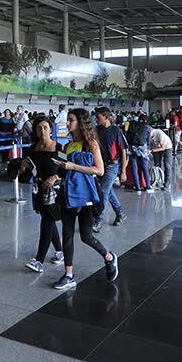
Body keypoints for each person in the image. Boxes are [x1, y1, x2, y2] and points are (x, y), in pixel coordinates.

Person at [54, 108, 118, 290]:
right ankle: (68, 274)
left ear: (81, 122)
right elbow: (65, 169)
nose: (68, 123)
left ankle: (109, 257)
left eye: (71, 120)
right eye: (68, 120)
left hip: (85, 195)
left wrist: (73, 166)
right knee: (67, 234)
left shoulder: (91, 144)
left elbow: (100, 170)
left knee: (86, 236)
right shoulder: (68, 145)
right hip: (68, 194)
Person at [24, 116, 65, 273]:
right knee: (48, 220)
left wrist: (55, 176)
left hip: (54, 191)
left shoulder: (59, 148)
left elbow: (67, 168)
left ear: (51, 130)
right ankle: (60, 251)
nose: (42, 131)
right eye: (39, 128)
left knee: (47, 221)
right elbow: (32, 170)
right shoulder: (33, 149)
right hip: (39, 189)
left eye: (45, 128)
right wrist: (24, 166)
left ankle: (39, 260)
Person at [93, 107, 128, 232]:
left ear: (106, 117)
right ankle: (120, 213)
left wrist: (123, 171)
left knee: (103, 192)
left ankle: (99, 220)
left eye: (98, 117)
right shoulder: (96, 130)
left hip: (112, 166)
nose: (96, 120)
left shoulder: (116, 131)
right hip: (100, 166)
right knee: (108, 191)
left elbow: (123, 151)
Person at [126, 113, 153, 193]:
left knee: (134, 167)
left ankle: (137, 188)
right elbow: (148, 140)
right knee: (145, 167)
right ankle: (148, 186)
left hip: (132, 147)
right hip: (142, 147)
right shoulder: (147, 127)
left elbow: (127, 135)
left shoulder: (132, 125)